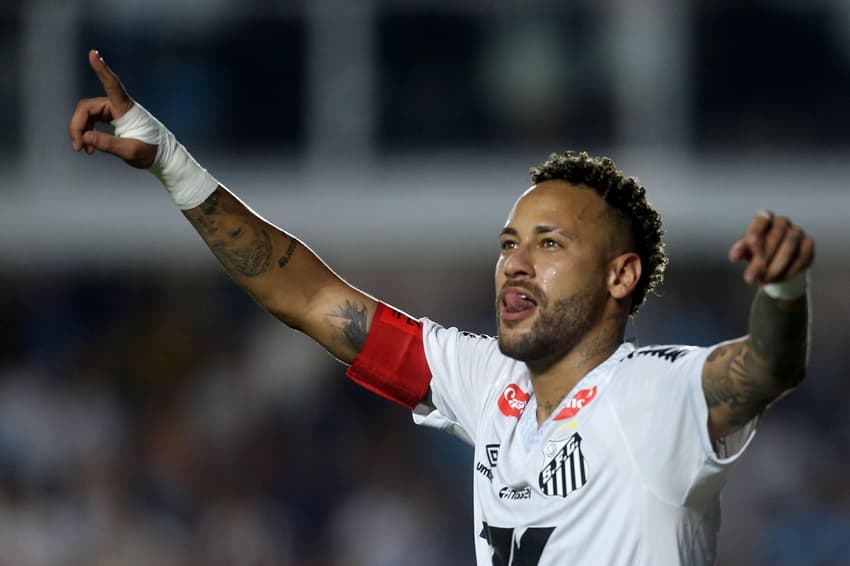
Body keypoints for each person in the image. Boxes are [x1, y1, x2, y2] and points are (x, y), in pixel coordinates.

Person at [69, 50, 814, 566]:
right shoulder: (486, 383)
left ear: (621, 276)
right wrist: (170, 161)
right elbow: (311, 298)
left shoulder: (654, 393)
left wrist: (781, 290)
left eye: (549, 243)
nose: (516, 261)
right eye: (509, 241)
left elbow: (762, 368)